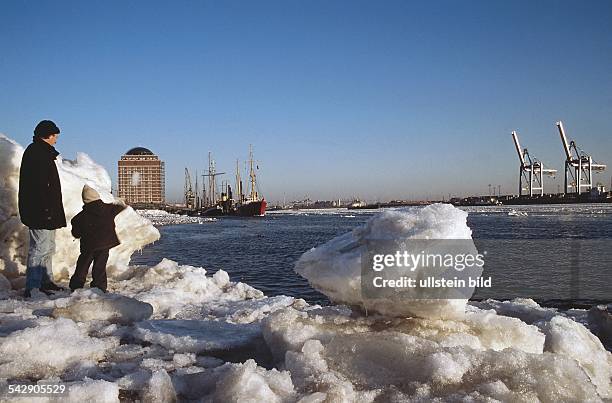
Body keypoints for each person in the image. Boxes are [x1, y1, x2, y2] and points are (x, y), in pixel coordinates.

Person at [19, 120, 66, 297]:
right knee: (39, 248)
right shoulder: (36, 153)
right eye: (54, 136)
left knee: (48, 247)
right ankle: (33, 287)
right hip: (40, 211)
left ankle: (46, 281)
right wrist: (45, 209)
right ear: (46, 135)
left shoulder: (43, 153)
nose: (56, 139)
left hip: (47, 211)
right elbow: (37, 187)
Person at [69, 185, 126, 293]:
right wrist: (122, 202)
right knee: (100, 266)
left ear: (85, 200)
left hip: (88, 246)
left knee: (83, 265)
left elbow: (76, 234)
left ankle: (76, 286)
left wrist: (78, 232)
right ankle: (99, 287)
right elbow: (120, 207)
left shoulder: (79, 217)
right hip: (105, 244)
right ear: (97, 197)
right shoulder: (108, 208)